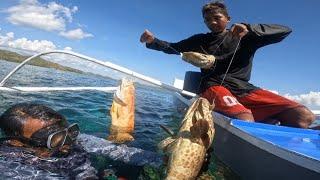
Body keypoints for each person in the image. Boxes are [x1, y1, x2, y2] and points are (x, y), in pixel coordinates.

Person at [140, 1, 315, 128]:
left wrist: (251, 28)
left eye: (217, 18)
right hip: (213, 86)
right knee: (245, 120)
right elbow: (174, 48)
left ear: (228, 18)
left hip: (244, 88)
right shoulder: (200, 39)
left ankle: (267, 124)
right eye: (207, 20)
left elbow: (285, 30)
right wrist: (152, 41)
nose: (212, 22)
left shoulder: (246, 35)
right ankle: (261, 121)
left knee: (304, 117)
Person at [0, 103, 98, 179]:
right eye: (54, 138)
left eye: (68, 130)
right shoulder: (11, 167)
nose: (68, 143)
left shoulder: (74, 139)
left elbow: (110, 149)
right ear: (16, 142)